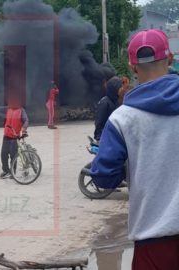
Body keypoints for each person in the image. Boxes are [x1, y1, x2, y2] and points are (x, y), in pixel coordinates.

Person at [89, 29, 179, 270]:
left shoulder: (122, 119)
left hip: (155, 241)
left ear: (132, 67)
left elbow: (104, 178)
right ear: (170, 59)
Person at [0, 92, 29, 179]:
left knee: (14, 155)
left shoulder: (21, 110)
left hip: (15, 136)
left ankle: (13, 172)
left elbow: (26, 120)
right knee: (4, 154)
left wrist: (24, 127)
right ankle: (6, 171)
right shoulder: (7, 109)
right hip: (6, 135)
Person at [93, 77, 123, 142]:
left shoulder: (116, 101)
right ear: (114, 88)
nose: (122, 89)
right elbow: (99, 122)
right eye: (120, 87)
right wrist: (99, 138)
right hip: (107, 137)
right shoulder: (104, 102)